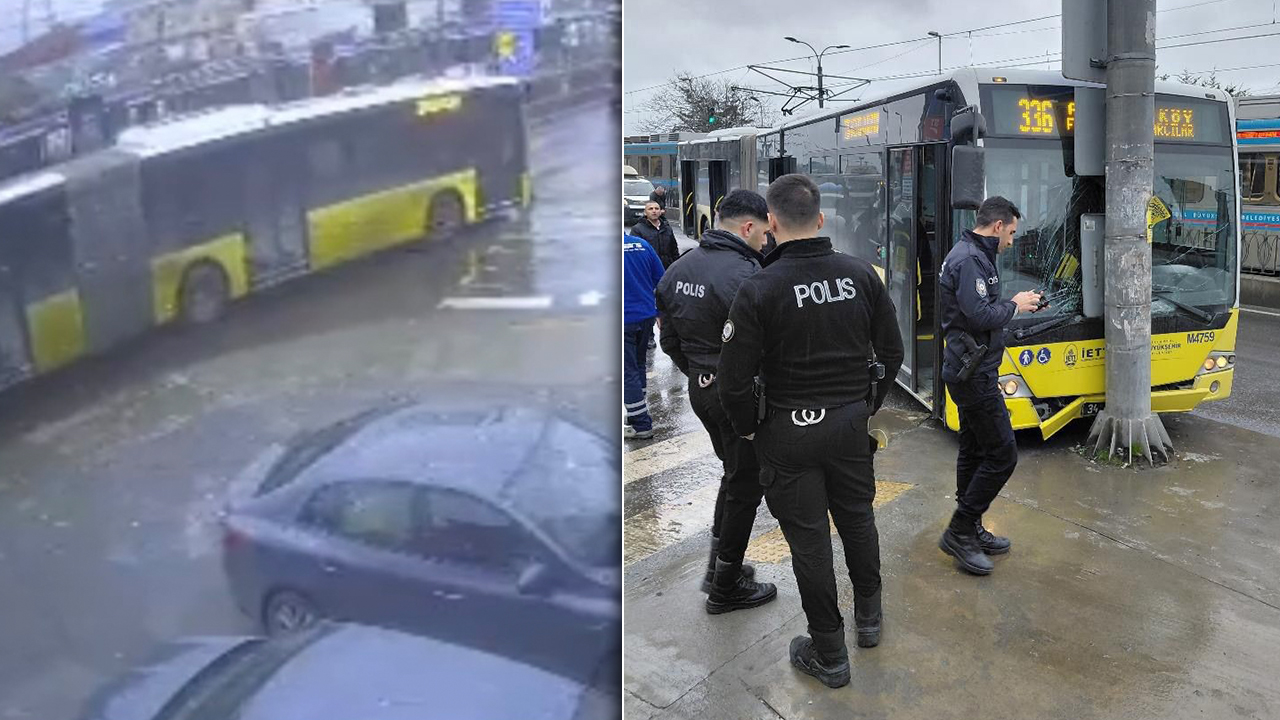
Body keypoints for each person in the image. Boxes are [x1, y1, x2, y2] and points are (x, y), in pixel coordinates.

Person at [717, 174, 904, 689]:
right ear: (821, 218)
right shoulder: (861, 275)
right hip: (848, 425)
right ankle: (870, 620)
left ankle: (829, 652)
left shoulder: (759, 288)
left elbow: (733, 383)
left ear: (771, 223)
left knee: (809, 543)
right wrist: (866, 406)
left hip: (786, 431)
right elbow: (892, 355)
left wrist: (750, 431)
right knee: (858, 520)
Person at [654, 189, 776, 614]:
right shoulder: (746, 277)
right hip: (737, 396)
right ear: (747, 227)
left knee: (732, 473)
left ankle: (719, 568)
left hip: (701, 391)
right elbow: (768, 349)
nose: (766, 240)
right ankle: (725, 586)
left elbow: (668, 339)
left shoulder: (679, 269)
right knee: (746, 485)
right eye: (763, 232)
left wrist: (698, 373)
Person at [935, 196, 1042, 575]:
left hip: (970, 369)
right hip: (974, 374)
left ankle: (972, 527)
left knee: (975, 450)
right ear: (998, 226)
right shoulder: (969, 260)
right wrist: (1015, 305)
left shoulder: (974, 254)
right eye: (1012, 232)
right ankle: (960, 530)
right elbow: (979, 314)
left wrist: (1013, 307)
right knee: (1003, 454)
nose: (1013, 240)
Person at [623, 232, 665, 439]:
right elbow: (661, 279)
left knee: (626, 372)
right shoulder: (641, 245)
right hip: (645, 316)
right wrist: (659, 312)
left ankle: (641, 425)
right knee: (638, 365)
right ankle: (636, 413)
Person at [631, 200, 680, 268]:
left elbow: (674, 249)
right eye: (650, 209)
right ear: (645, 213)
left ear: (660, 212)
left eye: (656, 209)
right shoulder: (637, 229)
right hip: (649, 268)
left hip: (667, 268)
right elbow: (635, 253)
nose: (654, 211)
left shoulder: (667, 228)